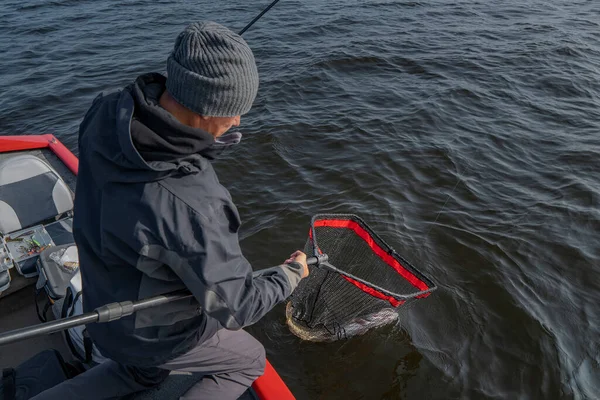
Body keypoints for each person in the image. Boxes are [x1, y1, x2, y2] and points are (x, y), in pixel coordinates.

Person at [33, 21, 308, 400]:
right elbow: (237, 307)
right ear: (208, 108)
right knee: (250, 359)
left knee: (142, 375)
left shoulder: (105, 113)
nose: (238, 121)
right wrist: (288, 276)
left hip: (104, 310)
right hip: (155, 339)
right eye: (233, 110)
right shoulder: (193, 202)